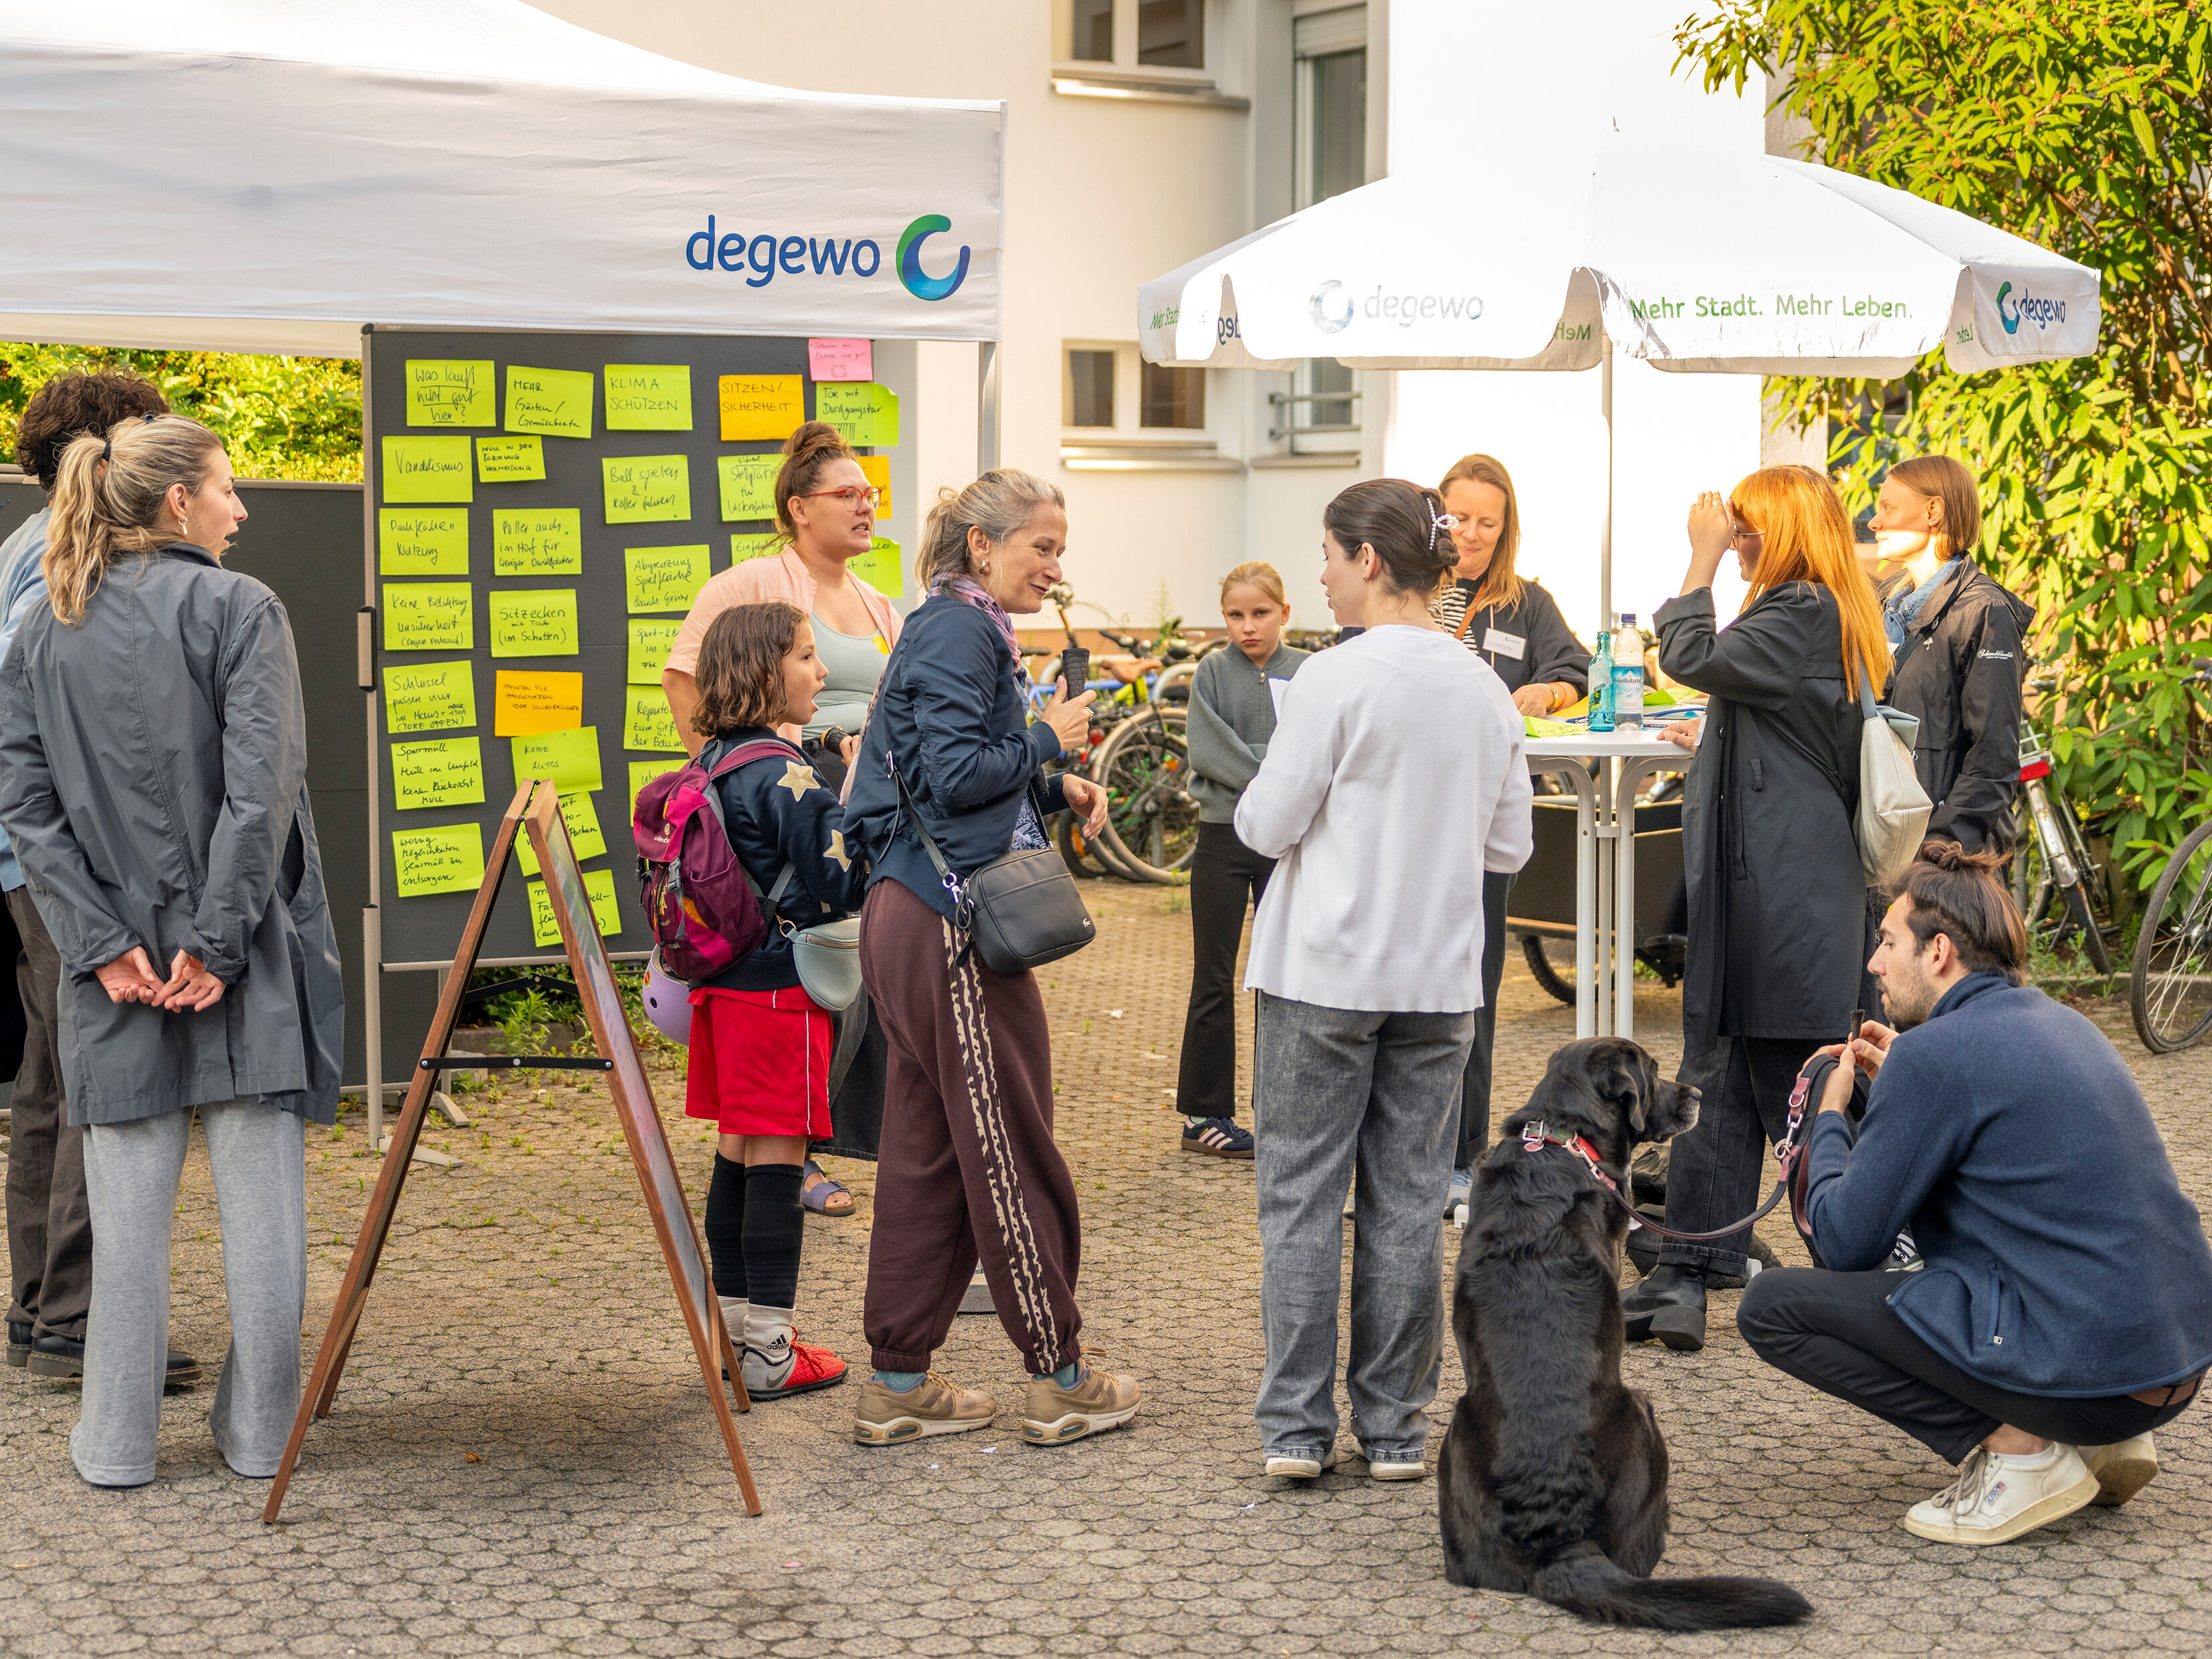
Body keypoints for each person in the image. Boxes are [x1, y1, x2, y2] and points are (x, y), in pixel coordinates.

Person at [0, 413, 344, 1488]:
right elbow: (264, 793)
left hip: (114, 976)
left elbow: (26, 809)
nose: (241, 509)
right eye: (228, 489)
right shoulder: (243, 609)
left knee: (127, 1223)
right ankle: (255, 1440)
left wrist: (100, 948)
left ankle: (113, 1445)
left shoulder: (41, 628)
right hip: (236, 963)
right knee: (265, 1230)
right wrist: (220, 941)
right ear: (175, 503)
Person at [1738, 842, 2212, 1544]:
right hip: (2169, 1363)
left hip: (2102, 1378)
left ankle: (2023, 1448)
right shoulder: (2063, 1022)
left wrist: (1830, 1115)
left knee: (1771, 1307)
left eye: (1887, 942)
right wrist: (1905, 1074)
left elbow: (1844, 1242)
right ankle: (2091, 1438)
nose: (1874, 964)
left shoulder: (1936, 1057)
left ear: (1937, 953)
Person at [1235, 478, 1532, 1482]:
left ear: (1368, 559)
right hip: (1438, 980)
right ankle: (1396, 1427)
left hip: (1322, 966)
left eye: (1326, 552)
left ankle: (1294, 1430)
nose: (1319, 572)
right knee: (1407, 1203)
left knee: (1300, 1198)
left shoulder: (1331, 678)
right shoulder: (1484, 689)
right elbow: (1509, 846)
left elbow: (1265, 827)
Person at [841, 469, 1137, 1448]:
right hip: (945, 926)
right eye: (1039, 547)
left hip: (913, 912)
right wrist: (1042, 738)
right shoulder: (959, 629)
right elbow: (958, 772)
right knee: (1009, 1143)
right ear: (981, 547)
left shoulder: (951, 626)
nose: (1055, 568)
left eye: (1060, 549)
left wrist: (1052, 788)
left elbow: (938, 782)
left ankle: (896, 1380)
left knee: (927, 1155)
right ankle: (1057, 1375)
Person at [1624, 466, 1890, 1353]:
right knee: (1715, 1089)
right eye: (1727, 531)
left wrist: (1694, 565)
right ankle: (1687, 1270)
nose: (1733, 540)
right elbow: (1774, 718)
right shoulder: (1812, 614)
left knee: (1801, 1096)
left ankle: (1885, 1271)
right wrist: (1716, 739)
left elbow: (1691, 655)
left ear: (1785, 532)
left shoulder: (1802, 610)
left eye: (1746, 528)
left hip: (1785, 907)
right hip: (1765, 899)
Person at [0, 372, 202, 1391]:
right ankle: (78, 1319)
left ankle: (41, 1309)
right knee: (104, 1078)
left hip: (28, 865)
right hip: (62, 867)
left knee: (47, 1083)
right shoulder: (57, 565)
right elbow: (40, 727)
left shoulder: (26, 551)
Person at [663, 419, 900, 1215]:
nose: (867, 506)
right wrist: (729, 778)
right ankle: (787, 1150)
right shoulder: (748, 583)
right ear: (800, 508)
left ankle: (817, 1137)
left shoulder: (878, 601)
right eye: (848, 494)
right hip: (783, 799)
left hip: (853, 789)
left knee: (855, 970)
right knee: (796, 973)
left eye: (872, 493)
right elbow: (684, 677)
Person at [682, 600, 871, 1401]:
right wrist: (857, 793)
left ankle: (730, 1332)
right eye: (804, 656)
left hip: (721, 989)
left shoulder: (717, 760)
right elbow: (843, 879)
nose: (821, 672)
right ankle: (770, 1348)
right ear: (766, 673)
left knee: (737, 1151)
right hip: (779, 995)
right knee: (779, 1161)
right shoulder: (786, 774)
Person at [1430, 453, 1589, 1215]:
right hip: (1412, 819)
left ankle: (1463, 1156)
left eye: (1486, 522)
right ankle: (1403, 1154)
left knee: (1475, 989)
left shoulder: (1526, 603)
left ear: (1506, 527)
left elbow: (1579, 669)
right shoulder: (1411, 593)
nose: (1469, 533)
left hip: (1487, 821)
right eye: (1457, 517)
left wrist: (1552, 686)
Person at [1174, 561, 1308, 1158]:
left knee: (1285, 978)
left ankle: (1283, 1109)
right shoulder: (1211, 672)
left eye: (1260, 613)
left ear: (1284, 612)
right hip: (1222, 838)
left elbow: (1316, 746)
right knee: (1214, 976)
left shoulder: (1308, 673)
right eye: (1235, 615)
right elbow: (1207, 749)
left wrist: (1269, 768)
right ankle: (1204, 1115)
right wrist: (1277, 772)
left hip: (1285, 841)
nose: (1248, 626)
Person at [1866, 456, 2033, 852]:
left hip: (1944, 861)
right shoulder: (1883, 606)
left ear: (1933, 512)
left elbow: (1993, 759)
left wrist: (1940, 846)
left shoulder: (1984, 612)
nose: (1874, 522)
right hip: (1882, 845)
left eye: (1888, 508)